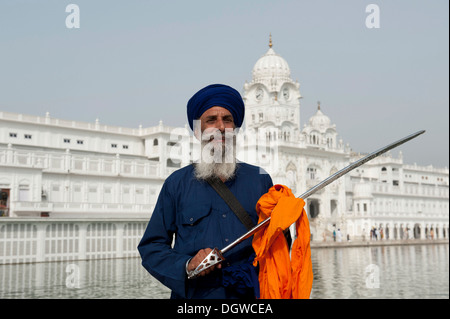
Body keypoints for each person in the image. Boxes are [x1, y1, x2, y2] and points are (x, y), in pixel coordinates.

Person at [138, 84, 273, 299]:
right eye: (211, 120)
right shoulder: (177, 184)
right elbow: (151, 247)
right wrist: (187, 264)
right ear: (198, 131)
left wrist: (286, 219)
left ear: (235, 129)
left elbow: (277, 244)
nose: (220, 127)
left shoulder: (259, 180)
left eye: (227, 120)